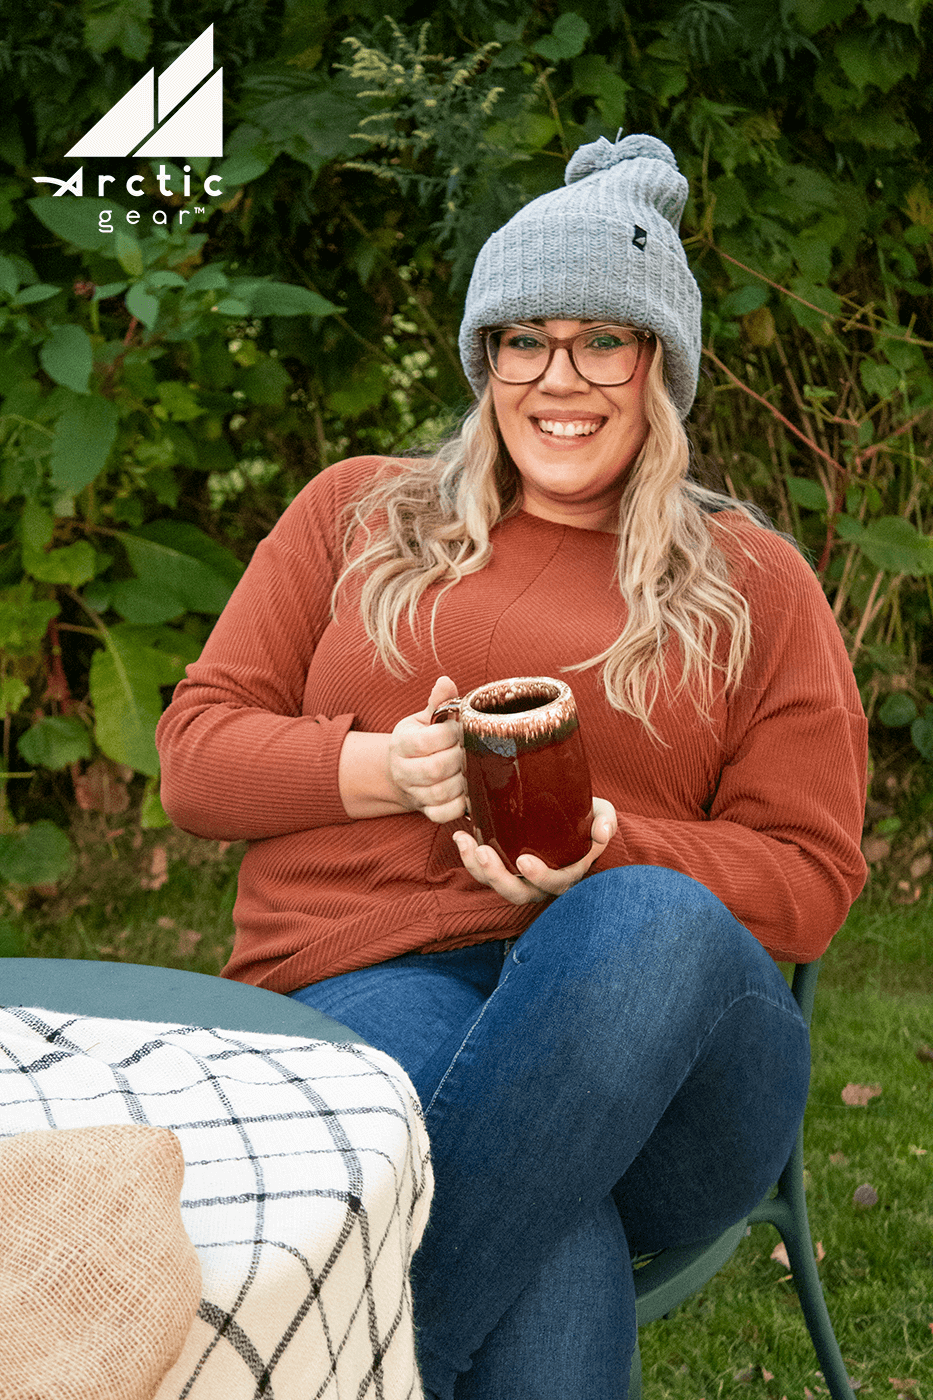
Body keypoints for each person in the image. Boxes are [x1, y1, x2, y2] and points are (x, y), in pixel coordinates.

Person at [156, 133, 868, 1399]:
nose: (562, 377)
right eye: (526, 339)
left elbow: (810, 877)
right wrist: (388, 770)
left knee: (643, 918)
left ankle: (317, 1371)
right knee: (547, 1226)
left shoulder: (753, 582)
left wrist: (611, 850)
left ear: (663, 364)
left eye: (605, 339)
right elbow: (197, 760)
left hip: (666, 1055)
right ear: (487, 361)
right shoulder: (357, 514)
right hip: (375, 984)